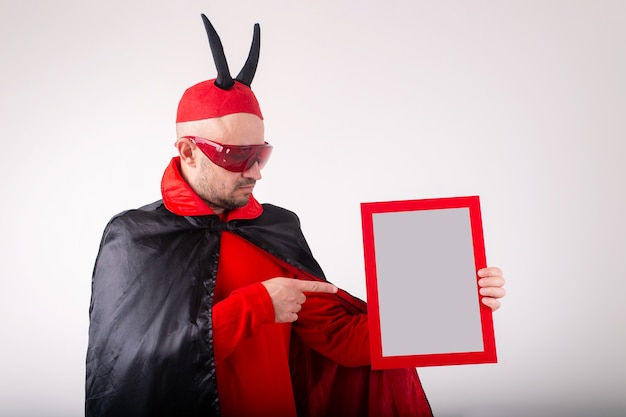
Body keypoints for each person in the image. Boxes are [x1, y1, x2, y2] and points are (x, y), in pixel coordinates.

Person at [85, 14, 506, 417]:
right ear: (189, 152)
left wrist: (453, 302)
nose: (254, 170)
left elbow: (340, 339)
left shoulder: (275, 228)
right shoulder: (136, 237)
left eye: (261, 153)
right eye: (237, 156)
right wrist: (256, 305)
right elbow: (131, 366)